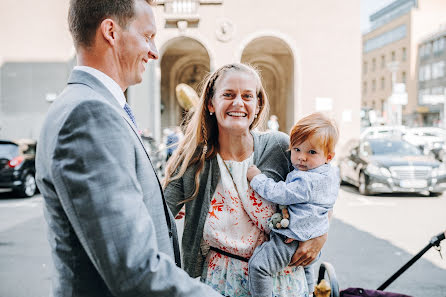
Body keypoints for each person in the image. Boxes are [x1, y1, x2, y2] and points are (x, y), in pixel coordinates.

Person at [35, 1, 221, 296]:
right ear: (111, 31)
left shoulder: (92, 107)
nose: (154, 51)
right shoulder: (89, 115)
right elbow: (134, 268)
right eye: (147, 36)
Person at [164, 63, 328, 297]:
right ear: (211, 103)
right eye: (228, 95)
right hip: (220, 283)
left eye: (247, 96)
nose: (238, 103)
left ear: (258, 104)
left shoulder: (280, 147)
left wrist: (321, 234)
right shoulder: (192, 159)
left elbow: (322, 188)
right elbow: (158, 215)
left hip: (283, 283)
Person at [246, 112, 340, 297]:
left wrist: (256, 178)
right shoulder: (329, 175)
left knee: (259, 267)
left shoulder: (307, 181)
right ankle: (309, 291)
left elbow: (279, 193)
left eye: (311, 152)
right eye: (296, 149)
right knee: (305, 268)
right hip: (310, 236)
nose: (301, 157)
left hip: (292, 239)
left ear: (329, 156)